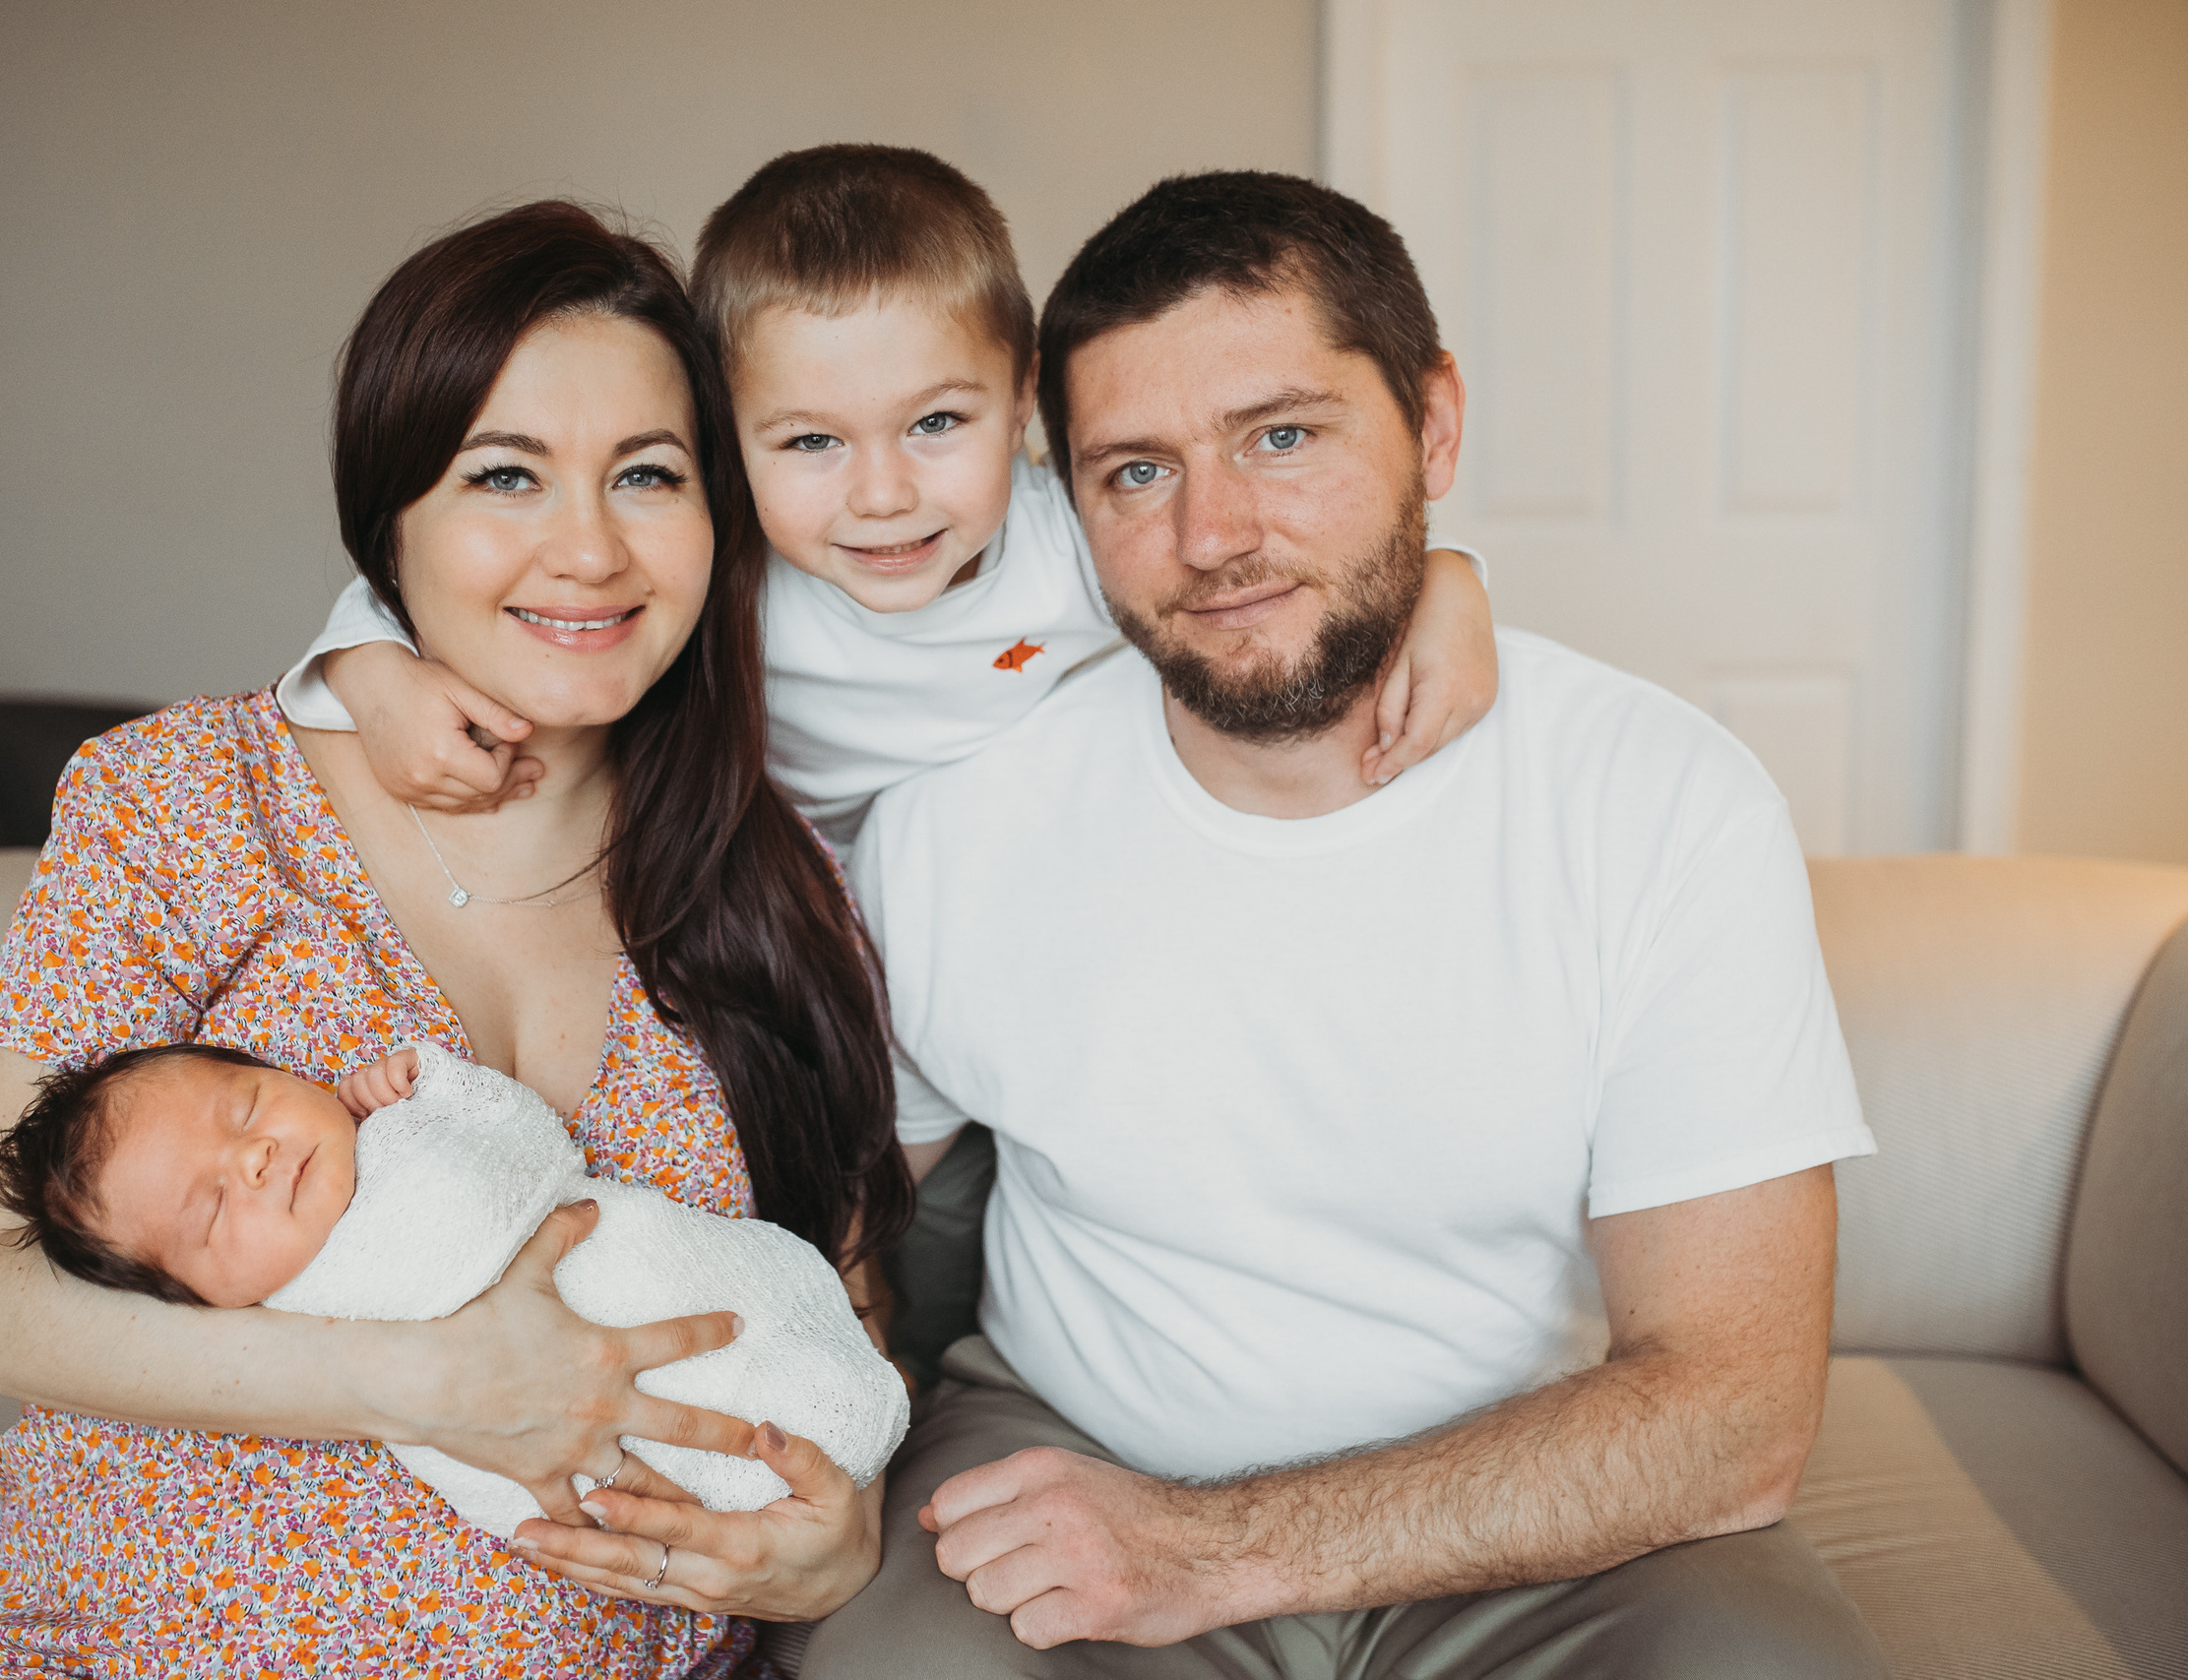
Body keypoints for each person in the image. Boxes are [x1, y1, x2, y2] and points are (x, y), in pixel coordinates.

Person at [805, 171, 1889, 1679]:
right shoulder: (956, 815)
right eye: (1136, 471)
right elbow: (836, 1214)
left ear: (1433, 424)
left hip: (1533, 1508)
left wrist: (1218, 1545)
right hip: (1071, 1453)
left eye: (1283, 436)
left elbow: (1734, 1406)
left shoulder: (1663, 803)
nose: (1214, 534)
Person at [0, 201, 903, 1677]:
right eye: (506, 473)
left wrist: (842, 1536)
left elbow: (844, 1300)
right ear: (392, 524)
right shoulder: (187, 797)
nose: (589, 547)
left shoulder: (781, 881)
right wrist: (423, 1381)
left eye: (648, 473)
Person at [276, 146, 1501, 848]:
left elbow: (1254, 577)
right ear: (728, 439)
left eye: (935, 424)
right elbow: (426, 589)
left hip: (985, 896)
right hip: (768, 903)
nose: (881, 495)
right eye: (810, 441)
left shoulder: (1076, 543)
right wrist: (371, 679)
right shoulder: (714, 560)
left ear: (1022, 403)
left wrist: (1448, 584)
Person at [0, 1037, 907, 1533]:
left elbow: (533, 1149)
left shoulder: (402, 1136)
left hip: (658, 1277)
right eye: (213, 1208)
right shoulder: (287, 1326)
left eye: (248, 1106)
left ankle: (840, 1411)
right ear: (197, 1301)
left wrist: (437, 1088)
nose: (254, 1157)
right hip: (606, 1485)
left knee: (768, 1335)